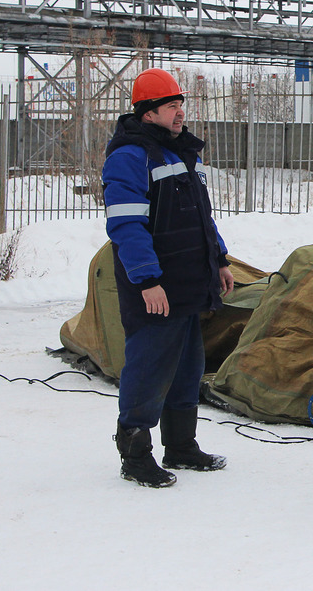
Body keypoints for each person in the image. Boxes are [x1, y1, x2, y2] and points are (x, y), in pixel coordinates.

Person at [102, 67, 234, 488]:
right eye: (171, 106)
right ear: (148, 113)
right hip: (156, 285)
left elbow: (200, 217)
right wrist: (146, 280)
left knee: (187, 366)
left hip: (188, 280)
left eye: (180, 105)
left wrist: (220, 259)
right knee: (149, 365)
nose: (180, 113)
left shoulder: (177, 153)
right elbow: (125, 226)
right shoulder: (129, 156)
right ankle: (136, 455)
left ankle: (181, 446)